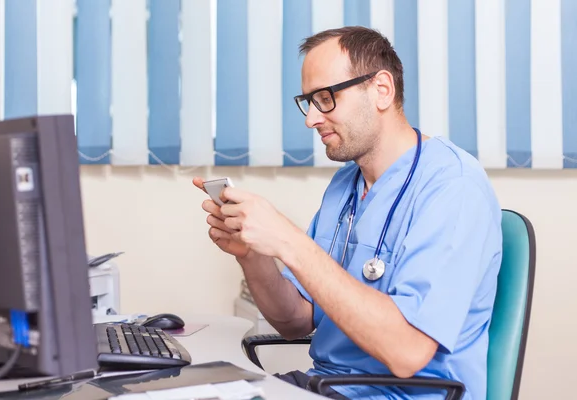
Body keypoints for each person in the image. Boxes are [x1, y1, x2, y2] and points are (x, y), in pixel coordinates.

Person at [193, 26, 502, 400]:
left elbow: (407, 353)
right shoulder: (346, 184)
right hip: (323, 386)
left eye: (325, 98)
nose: (311, 118)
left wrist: (289, 241)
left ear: (382, 90)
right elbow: (294, 320)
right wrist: (253, 256)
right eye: (308, 101)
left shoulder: (453, 187)